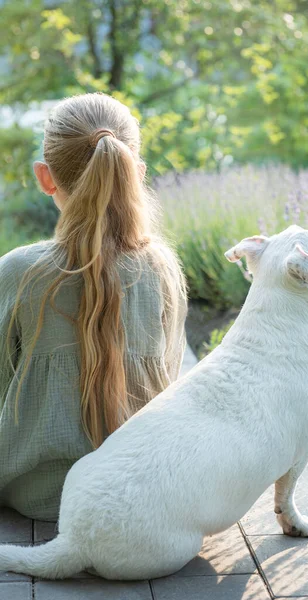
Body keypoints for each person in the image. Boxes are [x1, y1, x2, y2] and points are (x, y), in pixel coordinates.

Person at [0, 92, 188, 521]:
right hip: (139, 483)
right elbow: (170, 377)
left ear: (45, 178)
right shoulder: (161, 268)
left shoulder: (18, 272)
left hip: (39, 494)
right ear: (135, 174)